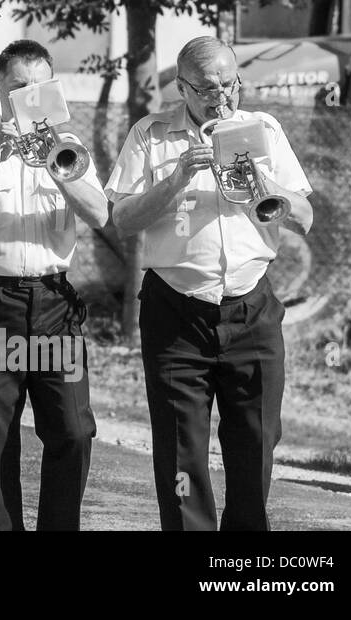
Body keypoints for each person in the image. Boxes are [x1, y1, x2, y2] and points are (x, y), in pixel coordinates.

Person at [106, 36, 313, 531]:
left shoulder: (263, 128)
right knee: (182, 450)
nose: (222, 97)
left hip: (251, 308)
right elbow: (124, 221)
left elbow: (304, 217)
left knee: (257, 441)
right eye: (208, 89)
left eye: (230, 84)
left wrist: (265, 182)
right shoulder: (149, 135)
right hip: (176, 311)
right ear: (182, 88)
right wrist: (175, 180)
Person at [0, 40, 106, 531]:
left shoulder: (70, 147)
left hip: (55, 302)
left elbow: (99, 215)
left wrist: (56, 164)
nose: (31, 97)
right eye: (19, 88)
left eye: (40, 88)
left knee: (74, 431)